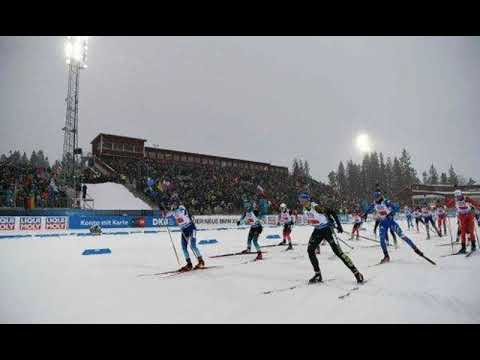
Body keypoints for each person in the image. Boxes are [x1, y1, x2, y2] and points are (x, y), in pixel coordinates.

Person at [298, 192, 364, 284]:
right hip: (318, 230)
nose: (302, 202)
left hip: (327, 230)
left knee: (338, 252)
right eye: (300, 200)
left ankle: (357, 273)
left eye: (303, 200)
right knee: (310, 250)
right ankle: (318, 275)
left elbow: (331, 211)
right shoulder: (304, 209)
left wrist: (339, 225)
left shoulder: (316, 207)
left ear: (308, 200)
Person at [364, 190, 428, 264]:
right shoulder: (374, 203)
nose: (377, 199)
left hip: (391, 222)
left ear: (381, 196)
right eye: (376, 197)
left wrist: (391, 213)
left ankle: (416, 249)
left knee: (402, 236)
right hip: (383, 224)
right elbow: (369, 208)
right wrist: (365, 214)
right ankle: (386, 256)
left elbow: (396, 207)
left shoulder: (386, 202)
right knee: (382, 240)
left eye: (378, 197)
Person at [172, 203, 205, 271]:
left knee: (193, 246)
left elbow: (182, 212)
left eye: (174, 205)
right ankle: (189, 264)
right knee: (184, 247)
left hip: (191, 228)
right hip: (184, 230)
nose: (172, 206)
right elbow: (167, 214)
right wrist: (163, 213)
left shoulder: (181, 208)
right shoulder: (173, 212)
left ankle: (201, 261)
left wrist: (174, 211)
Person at [445, 190, 479, 254]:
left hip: (469, 215)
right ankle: (463, 248)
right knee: (463, 232)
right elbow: (448, 205)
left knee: (471, 231)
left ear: (461, 195)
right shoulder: (455, 200)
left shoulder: (466, 199)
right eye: (457, 196)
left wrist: (476, 206)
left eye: (459, 196)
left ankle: (473, 245)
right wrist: (446, 203)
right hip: (462, 216)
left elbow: (475, 203)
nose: (458, 197)